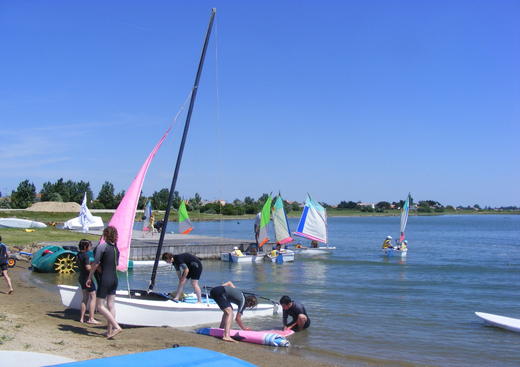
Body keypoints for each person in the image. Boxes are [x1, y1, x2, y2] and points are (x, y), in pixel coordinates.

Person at [86, 226, 122, 339]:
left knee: (100, 306)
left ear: (105, 235)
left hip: (105, 279)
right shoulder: (116, 249)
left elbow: (95, 264)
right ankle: (109, 332)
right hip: (114, 279)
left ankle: (116, 327)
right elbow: (115, 265)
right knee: (111, 305)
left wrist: (89, 277)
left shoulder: (102, 247)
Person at [77, 239, 99, 324]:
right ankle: (91, 318)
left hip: (81, 277)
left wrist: (91, 263)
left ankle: (82, 318)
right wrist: (95, 266)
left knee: (85, 298)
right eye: (90, 245)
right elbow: (87, 268)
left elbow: (83, 265)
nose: (91, 247)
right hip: (87, 278)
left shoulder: (78, 254)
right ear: (86, 247)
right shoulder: (85, 255)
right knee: (93, 297)